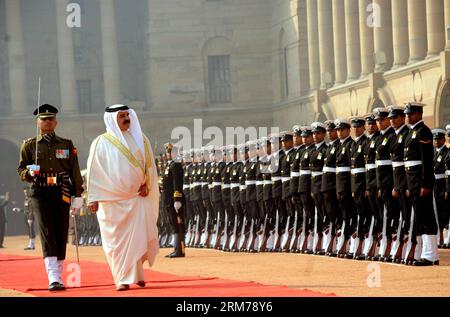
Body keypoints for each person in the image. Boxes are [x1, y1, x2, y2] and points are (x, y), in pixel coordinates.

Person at [86, 104, 160, 290]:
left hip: (137, 198)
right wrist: (92, 198)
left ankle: (137, 275)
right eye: (122, 116)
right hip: (111, 202)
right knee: (116, 243)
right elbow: (94, 172)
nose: (127, 119)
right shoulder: (100, 142)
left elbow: (150, 167)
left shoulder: (141, 139)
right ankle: (121, 279)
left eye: (128, 115)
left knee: (138, 238)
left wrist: (147, 185)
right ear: (112, 119)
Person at [17, 104, 84, 291]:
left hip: (61, 189)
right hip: (40, 191)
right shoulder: (29, 145)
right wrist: (29, 174)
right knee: (47, 232)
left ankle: (60, 273)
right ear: (37, 123)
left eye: (50, 119)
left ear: (56, 121)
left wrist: (78, 193)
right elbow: (21, 168)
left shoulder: (66, 144)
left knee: (61, 230)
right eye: (43, 119)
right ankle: (53, 277)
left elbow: (74, 170)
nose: (47, 122)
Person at [403, 102, 439, 266]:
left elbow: (426, 161)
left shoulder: (423, 131)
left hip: (421, 181)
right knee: (419, 218)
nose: (408, 116)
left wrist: (426, 184)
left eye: (411, 114)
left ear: (419, 114)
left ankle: (431, 255)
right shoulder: (412, 132)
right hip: (413, 182)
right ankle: (423, 253)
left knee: (426, 217)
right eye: (407, 114)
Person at [162, 143, 186, 258]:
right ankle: (176, 248)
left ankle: (179, 249)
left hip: (174, 200)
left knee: (178, 224)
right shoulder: (169, 165)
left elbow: (177, 183)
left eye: (170, 152)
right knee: (173, 223)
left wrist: (177, 199)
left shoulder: (176, 165)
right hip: (168, 200)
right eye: (167, 152)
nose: (168, 154)